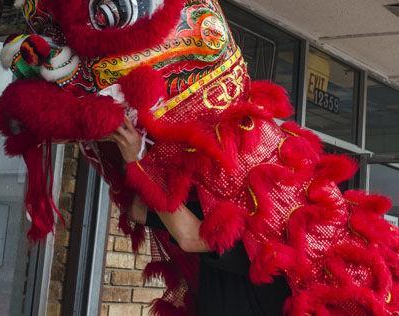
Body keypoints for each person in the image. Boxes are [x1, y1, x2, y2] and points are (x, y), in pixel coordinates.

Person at [108, 119, 291, 316]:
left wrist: (139, 161)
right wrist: (136, 153)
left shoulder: (271, 238)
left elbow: (191, 238)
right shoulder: (219, 209)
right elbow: (138, 210)